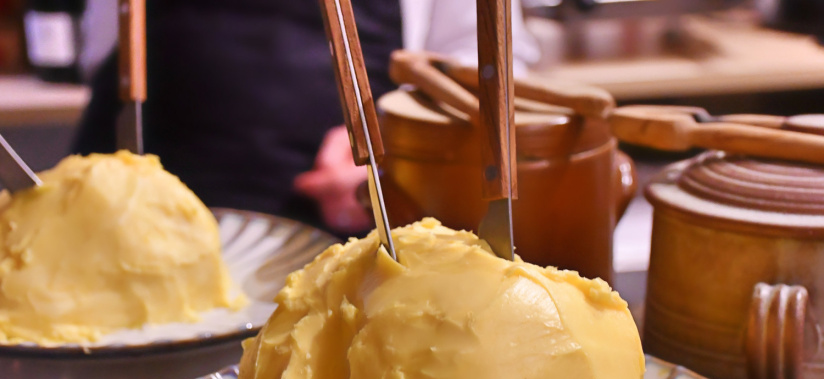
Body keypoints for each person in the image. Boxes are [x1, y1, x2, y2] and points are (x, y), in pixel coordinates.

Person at [74, 0, 538, 237]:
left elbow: (491, 66)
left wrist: (398, 147)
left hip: (346, 224)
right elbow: (107, 51)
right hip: (136, 214)